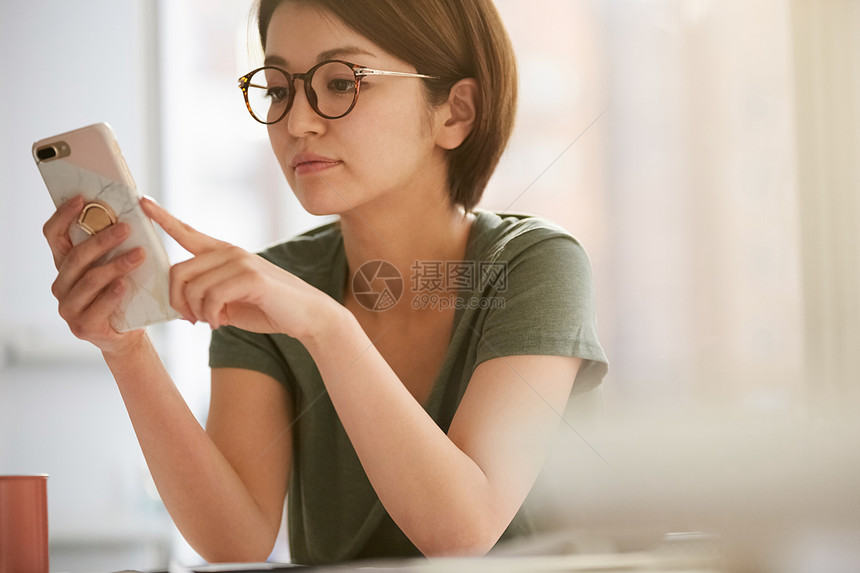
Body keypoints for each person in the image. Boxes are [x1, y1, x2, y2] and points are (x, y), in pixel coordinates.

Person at [42, 0, 608, 565]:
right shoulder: (273, 288)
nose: (296, 123)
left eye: (341, 83)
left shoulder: (533, 265)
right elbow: (234, 541)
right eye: (279, 90)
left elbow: (459, 533)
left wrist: (325, 325)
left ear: (454, 113)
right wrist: (126, 349)